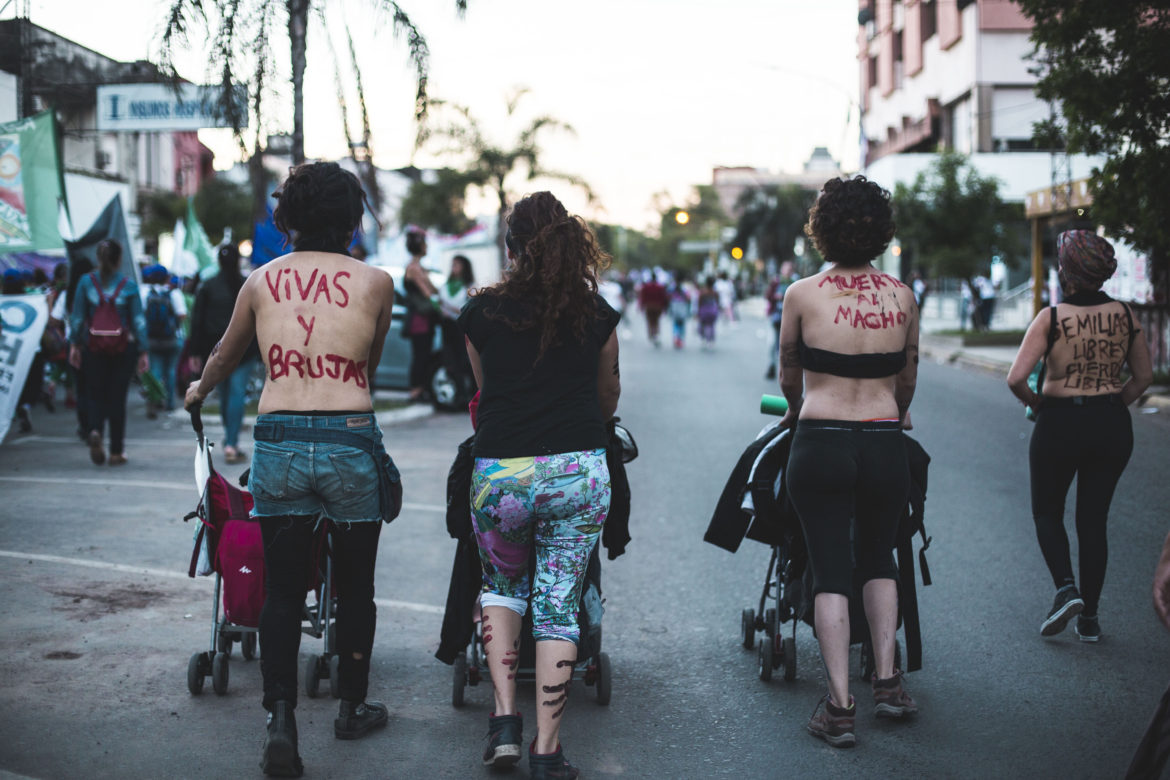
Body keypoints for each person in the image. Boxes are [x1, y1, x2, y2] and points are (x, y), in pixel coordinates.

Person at [184, 161, 397, 778]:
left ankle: (280, 719)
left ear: (288, 220)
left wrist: (199, 391)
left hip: (276, 440)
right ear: (353, 221)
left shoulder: (261, 281)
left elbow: (226, 355)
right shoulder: (376, 283)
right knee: (357, 587)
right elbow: (367, 364)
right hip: (349, 439)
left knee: (282, 589)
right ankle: (351, 706)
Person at [458, 191, 620, 779]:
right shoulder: (597, 314)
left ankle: (504, 722)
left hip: (501, 472)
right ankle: (548, 750)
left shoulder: (479, 314)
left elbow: (485, 391)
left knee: (501, 588)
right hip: (577, 472)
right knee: (558, 606)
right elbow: (607, 399)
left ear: (511, 249)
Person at [776, 176, 920, 748]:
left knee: (830, 568)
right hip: (884, 440)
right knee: (882, 558)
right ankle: (887, 682)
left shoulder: (801, 295)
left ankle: (839, 707)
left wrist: (795, 410)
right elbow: (907, 381)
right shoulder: (903, 296)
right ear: (882, 231)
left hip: (820, 441)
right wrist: (898, 413)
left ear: (823, 228)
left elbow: (789, 373)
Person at [1006, 230, 1152, 643]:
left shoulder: (1051, 318)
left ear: (1066, 270)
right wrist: (1112, 405)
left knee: (1047, 512)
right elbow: (1144, 378)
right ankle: (1090, 618)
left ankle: (1066, 588)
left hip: (1059, 422)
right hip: (1110, 422)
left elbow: (1016, 378)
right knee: (1093, 520)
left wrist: (1036, 403)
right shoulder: (1126, 316)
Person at [68, 239, 149, 465]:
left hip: (93, 347)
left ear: (98, 257)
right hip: (123, 348)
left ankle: (95, 430)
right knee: (117, 397)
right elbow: (139, 322)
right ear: (118, 259)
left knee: (95, 393)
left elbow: (77, 319)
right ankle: (116, 451)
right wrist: (143, 351)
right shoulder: (129, 286)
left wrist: (75, 345)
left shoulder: (86, 283)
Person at [189, 245, 259, 463]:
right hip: (245, 349)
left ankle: (230, 437)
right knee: (237, 394)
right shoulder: (246, 285)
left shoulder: (208, 286)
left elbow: (197, 320)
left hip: (216, 349)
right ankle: (231, 442)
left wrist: (195, 351)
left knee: (225, 394)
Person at [141, 264, 187, 415]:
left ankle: (154, 400)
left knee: (155, 369)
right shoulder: (174, 294)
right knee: (171, 371)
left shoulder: (145, 293)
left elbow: (140, 316)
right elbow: (182, 314)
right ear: (166, 277)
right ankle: (170, 403)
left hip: (152, 339)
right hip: (172, 339)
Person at [402, 229, 438, 403]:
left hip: (423, 318)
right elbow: (429, 292)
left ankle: (419, 389)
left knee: (422, 354)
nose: (427, 247)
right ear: (420, 246)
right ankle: (416, 391)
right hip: (419, 319)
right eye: (425, 244)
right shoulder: (415, 269)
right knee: (420, 355)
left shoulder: (418, 267)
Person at [437, 253, 477, 402]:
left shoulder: (469, 286)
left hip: (461, 328)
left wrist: (449, 308)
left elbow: (466, 308)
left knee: (464, 360)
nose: (453, 268)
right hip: (447, 327)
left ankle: (470, 393)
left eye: (457, 265)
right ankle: (459, 394)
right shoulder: (446, 286)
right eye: (452, 265)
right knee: (450, 361)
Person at [636, 270, 667, 347]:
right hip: (658, 306)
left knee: (650, 321)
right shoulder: (660, 287)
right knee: (656, 321)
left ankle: (651, 334)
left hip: (649, 306)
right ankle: (656, 334)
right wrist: (664, 307)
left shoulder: (646, 287)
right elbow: (663, 298)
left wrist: (641, 306)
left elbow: (642, 297)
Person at [667, 272, 692, 349]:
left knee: (675, 323)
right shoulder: (685, 287)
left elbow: (668, 297)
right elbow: (688, 298)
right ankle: (680, 339)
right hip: (682, 306)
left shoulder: (671, 287)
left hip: (674, 306)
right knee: (682, 324)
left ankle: (676, 337)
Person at [696, 275, 720, 349]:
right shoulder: (715, 292)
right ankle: (711, 340)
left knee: (702, 325)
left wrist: (698, 312)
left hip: (704, 310)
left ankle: (703, 339)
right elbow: (717, 303)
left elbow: (699, 302)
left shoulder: (703, 292)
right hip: (712, 310)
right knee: (711, 326)